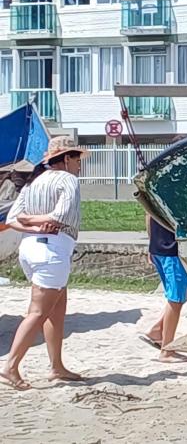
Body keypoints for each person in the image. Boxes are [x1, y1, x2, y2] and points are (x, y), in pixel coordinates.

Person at [0, 137, 88, 390]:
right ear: (67, 158)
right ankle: (11, 367)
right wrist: (41, 221)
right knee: (38, 311)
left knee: (56, 309)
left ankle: (56, 365)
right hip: (52, 248)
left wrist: (32, 221)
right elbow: (63, 215)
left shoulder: (34, 182)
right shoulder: (68, 180)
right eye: (77, 159)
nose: (79, 165)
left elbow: (14, 219)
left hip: (30, 246)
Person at [139, 215, 187, 363]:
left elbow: (148, 214)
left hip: (160, 246)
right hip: (172, 249)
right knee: (176, 299)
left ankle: (157, 330)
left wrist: (151, 243)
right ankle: (167, 351)